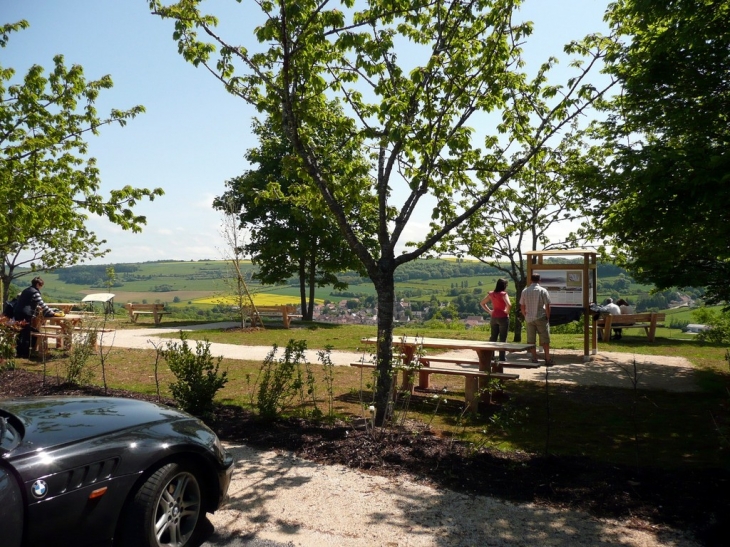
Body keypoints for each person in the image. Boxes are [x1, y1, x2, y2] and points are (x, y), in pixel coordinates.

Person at [13, 277, 56, 358]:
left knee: (19, 331)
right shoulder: (35, 292)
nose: (41, 287)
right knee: (26, 333)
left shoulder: (26, 290)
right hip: (25, 313)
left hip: (17, 311)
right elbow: (42, 304)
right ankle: (25, 354)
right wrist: (51, 312)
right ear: (37, 284)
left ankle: (18, 352)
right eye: (41, 285)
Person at [519, 273, 553, 365]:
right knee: (545, 339)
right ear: (539, 280)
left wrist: (525, 315)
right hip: (541, 316)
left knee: (531, 340)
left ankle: (534, 358)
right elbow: (547, 304)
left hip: (529, 318)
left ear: (530, 280)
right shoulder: (543, 290)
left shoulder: (525, 291)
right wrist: (548, 315)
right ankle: (547, 359)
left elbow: (522, 305)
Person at [480, 278, 511, 361]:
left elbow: (482, 303)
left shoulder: (491, 294)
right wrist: (506, 312)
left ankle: (491, 355)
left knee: (493, 337)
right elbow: (509, 304)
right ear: (504, 286)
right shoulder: (503, 294)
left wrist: (489, 311)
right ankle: (502, 357)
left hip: (494, 317)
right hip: (503, 317)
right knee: (503, 338)